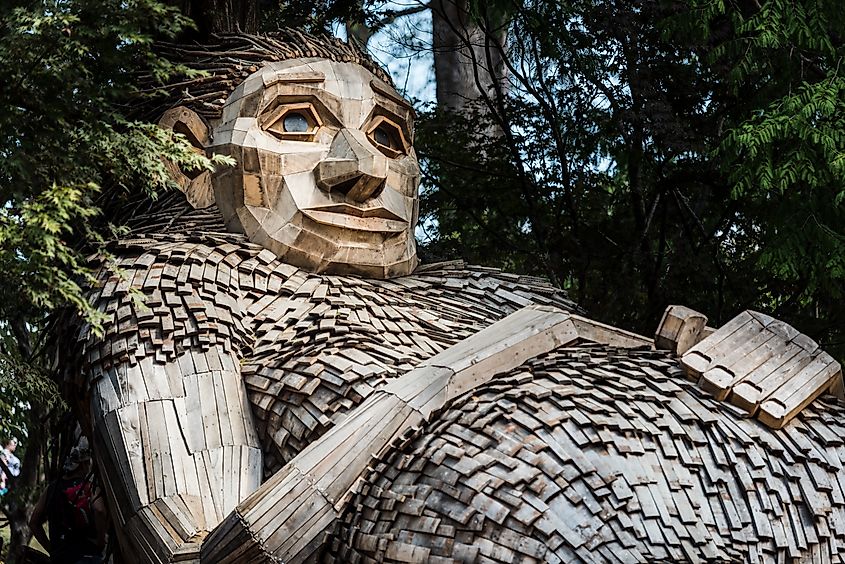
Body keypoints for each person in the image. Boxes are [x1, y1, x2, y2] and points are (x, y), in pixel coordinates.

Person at [58, 29, 845, 563]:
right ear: (193, 160)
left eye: (388, 137)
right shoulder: (174, 291)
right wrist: (464, 369)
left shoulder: (489, 290)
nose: (353, 167)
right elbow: (206, 549)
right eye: (297, 122)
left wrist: (742, 364)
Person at [29, 441, 107, 564]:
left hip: (61, 557)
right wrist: (101, 540)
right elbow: (99, 510)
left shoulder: (51, 489)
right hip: (87, 555)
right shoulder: (90, 487)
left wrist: (52, 549)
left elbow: (34, 522)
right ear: (83, 464)